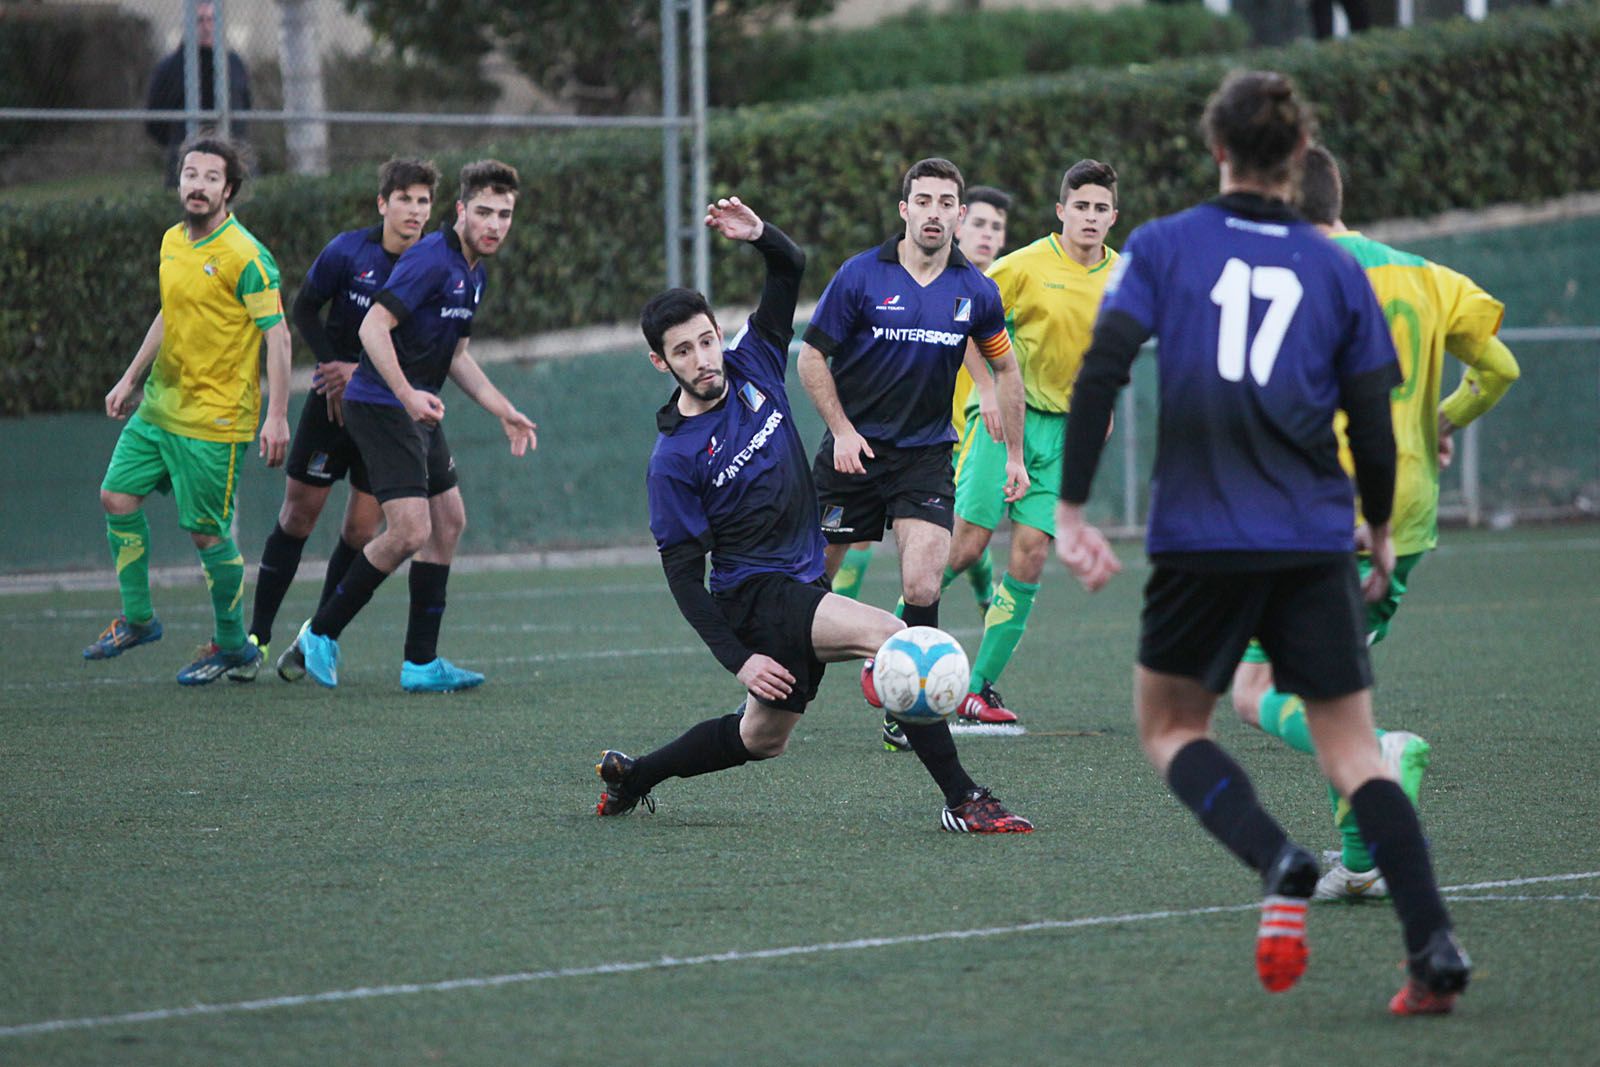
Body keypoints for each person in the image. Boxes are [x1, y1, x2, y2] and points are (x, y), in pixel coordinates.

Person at [1053, 71, 1470, 1015]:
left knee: (1170, 728)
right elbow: (1370, 419)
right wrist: (1373, 531)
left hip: (1202, 539)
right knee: (1355, 754)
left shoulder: (1162, 245)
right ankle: (1434, 945)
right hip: (1313, 537)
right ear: (1298, 160)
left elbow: (1103, 372)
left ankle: (1277, 857)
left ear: (1218, 153)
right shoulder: (1337, 269)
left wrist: (1071, 513)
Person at [596, 196, 1031, 834]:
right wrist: (739, 661)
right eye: (683, 352)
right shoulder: (673, 461)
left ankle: (636, 777)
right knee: (901, 641)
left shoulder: (756, 365)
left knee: (760, 738)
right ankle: (964, 799)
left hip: (800, 583)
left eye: (707, 341)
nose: (703, 359)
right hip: (756, 594)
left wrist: (761, 236)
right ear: (662, 363)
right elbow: (685, 577)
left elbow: (789, 267)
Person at [1231, 143, 1520, 900]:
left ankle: (1382, 754)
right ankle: (1360, 863)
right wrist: (1442, 419)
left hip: (1318, 515)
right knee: (1328, 683)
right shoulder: (1427, 275)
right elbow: (1501, 369)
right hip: (1410, 514)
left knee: (1253, 685)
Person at [797, 158, 1029, 752]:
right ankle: (784, 682)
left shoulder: (975, 291)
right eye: (922, 201)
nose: (934, 212)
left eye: (945, 202)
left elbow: (1004, 364)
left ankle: (909, 708)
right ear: (905, 210)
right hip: (854, 452)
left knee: (924, 581)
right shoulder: (859, 277)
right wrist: (843, 431)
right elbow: (811, 357)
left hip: (925, 456)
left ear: (958, 213)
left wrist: (1015, 455)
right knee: (807, 581)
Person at [281, 160, 538, 692]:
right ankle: (320, 633)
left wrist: (502, 408)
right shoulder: (431, 259)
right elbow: (374, 325)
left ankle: (421, 663)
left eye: (505, 214)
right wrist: (405, 394)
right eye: (484, 212)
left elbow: (458, 357)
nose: (494, 224)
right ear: (461, 210)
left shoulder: (474, 273)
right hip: (379, 405)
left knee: (448, 523)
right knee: (409, 530)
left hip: (416, 408)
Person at [85, 135, 290, 685]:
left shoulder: (245, 256)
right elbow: (169, 313)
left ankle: (232, 645)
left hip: (215, 420)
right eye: (189, 175)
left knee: (205, 533)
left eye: (209, 177)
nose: (197, 185)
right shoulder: (173, 241)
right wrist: (131, 377)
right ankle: (139, 619)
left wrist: (275, 415)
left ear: (229, 190)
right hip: (159, 407)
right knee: (116, 495)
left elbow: (278, 336)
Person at [228, 158, 441, 681]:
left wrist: (370, 376)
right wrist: (333, 366)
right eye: (405, 199)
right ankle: (255, 637)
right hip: (330, 406)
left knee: (362, 527)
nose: (414, 210)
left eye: (423, 201)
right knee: (299, 514)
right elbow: (303, 310)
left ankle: (315, 636)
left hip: (384, 415)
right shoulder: (348, 251)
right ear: (382, 203)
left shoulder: (433, 264)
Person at [943, 160, 1120, 724]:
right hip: (1005, 420)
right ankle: (891, 648)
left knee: (1032, 555)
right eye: (1081, 206)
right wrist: (990, 390)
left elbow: (1111, 350)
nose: (1090, 217)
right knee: (969, 544)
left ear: (1113, 217)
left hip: (1066, 431)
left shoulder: (1124, 277)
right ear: (1061, 211)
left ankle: (976, 687)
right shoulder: (1019, 266)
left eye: (1101, 209)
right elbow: (963, 322)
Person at [830, 184, 1012, 623]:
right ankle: (846, 619)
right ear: (959, 226)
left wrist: (995, 391)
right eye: (979, 223)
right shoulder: (926, 273)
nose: (986, 234)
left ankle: (922, 626)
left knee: (955, 535)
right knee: (859, 535)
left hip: (970, 427)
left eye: (997, 227)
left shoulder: (1000, 279)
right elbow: (952, 325)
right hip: (925, 417)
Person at [145, 2, 252, 187]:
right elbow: (155, 120)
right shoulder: (170, 68)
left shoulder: (234, 63)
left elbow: (246, 105)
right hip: (185, 160)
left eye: (211, 20)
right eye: (200, 20)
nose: (206, 26)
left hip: (231, 155)